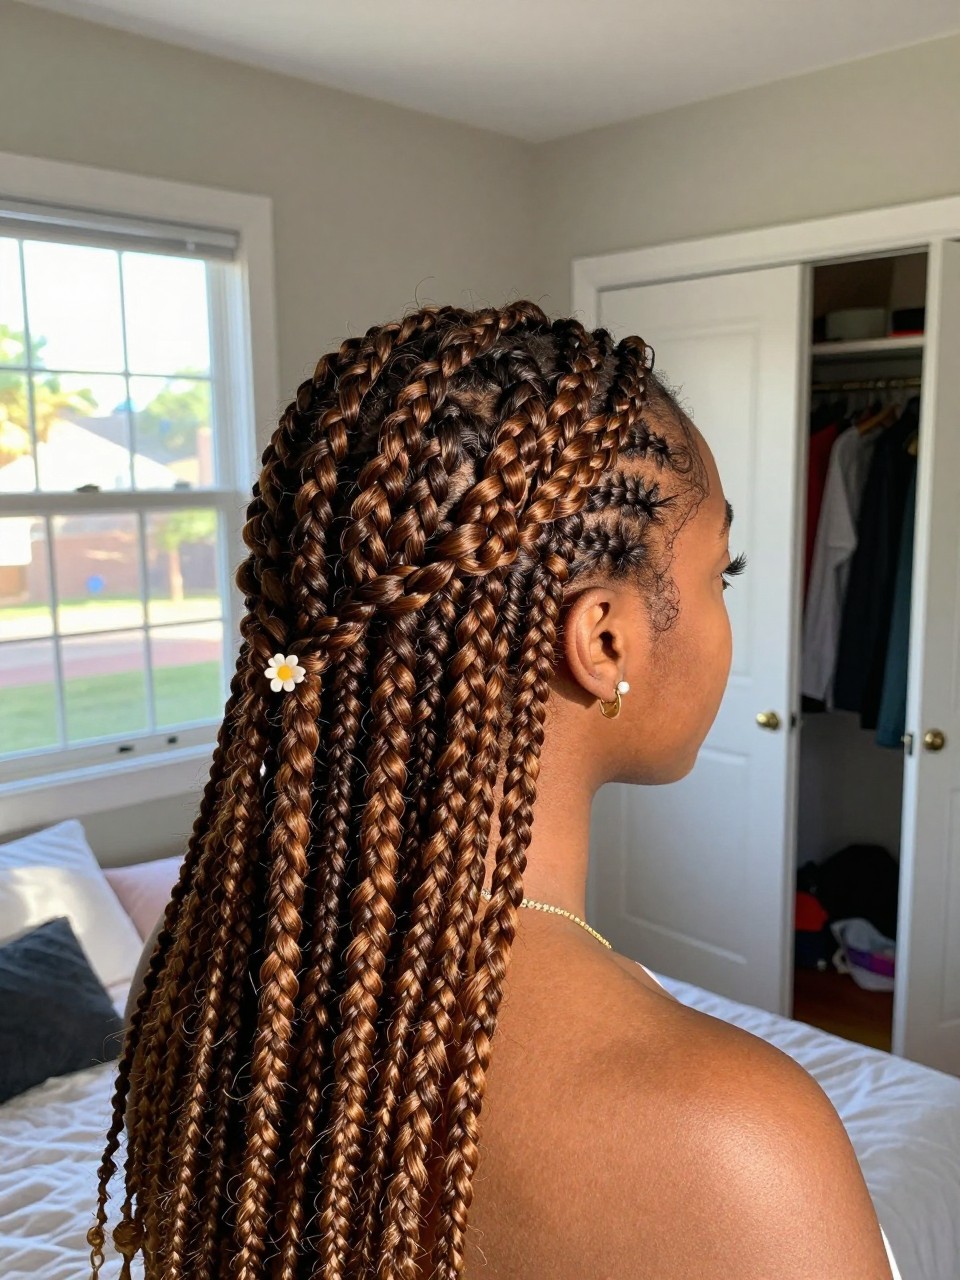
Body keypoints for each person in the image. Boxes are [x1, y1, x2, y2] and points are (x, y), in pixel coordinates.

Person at [90, 302, 899, 1279]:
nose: (732, 612)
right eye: (721, 571)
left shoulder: (197, 993)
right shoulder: (740, 1133)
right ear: (604, 638)